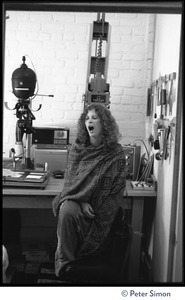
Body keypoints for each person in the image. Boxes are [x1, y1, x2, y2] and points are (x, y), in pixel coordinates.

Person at [52, 103, 126, 277]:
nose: (89, 122)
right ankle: (66, 266)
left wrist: (90, 202)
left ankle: (83, 261)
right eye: (87, 118)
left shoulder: (115, 153)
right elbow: (71, 185)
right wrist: (81, 200)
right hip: (79, 203)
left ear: (104, 124)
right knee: (67, 209)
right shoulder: (78, 150)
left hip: (100, 210)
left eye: (94, 118)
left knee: (75, 208)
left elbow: (116, 188)